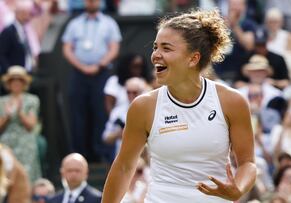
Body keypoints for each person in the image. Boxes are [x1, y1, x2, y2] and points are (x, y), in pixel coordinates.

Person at [102, 9, 256, 203]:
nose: (155, 55)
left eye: (166, 48)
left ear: (193, 58)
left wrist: (238, 189)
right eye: (155, 47)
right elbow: (124, 167)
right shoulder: (143, 106)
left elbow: (248, 163)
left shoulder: (232, 101)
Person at [62, 0, 121, 162]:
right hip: (79, 74)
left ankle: (100, 152)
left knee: (100, 111)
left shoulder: (109, 23)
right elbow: (67, 48)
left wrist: (99, 64)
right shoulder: (74, 24)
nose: (92, 2)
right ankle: (79, 153)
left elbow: (114, 47)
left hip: (101, 73)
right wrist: (81, 66)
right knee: (78, 113)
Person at [0, 66, 41, 183]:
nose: (16, 84)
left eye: (19, 81)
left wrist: (19, 112)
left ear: (24, 83)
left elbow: (31, 125)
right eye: (13, 81)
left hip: (25, 142)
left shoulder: (32, 100)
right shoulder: (1, 102)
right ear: (9, 83)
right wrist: (7, 116)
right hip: (6, 143)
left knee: (27, 175)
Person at [0, 0, 39, 76]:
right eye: (24, 14)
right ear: (18, 13)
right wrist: (9, 70)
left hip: (26, 72)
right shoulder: (8, 31)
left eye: (28, 14)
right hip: (14, 76)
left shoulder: (25, 30)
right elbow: (2, 54)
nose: (27, 17)